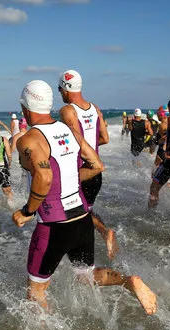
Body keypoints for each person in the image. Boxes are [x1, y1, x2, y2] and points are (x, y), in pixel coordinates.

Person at [11, 80, 157, 315]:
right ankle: (128, 281)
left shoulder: (29, 139)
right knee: (86, 276)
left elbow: (44, 177)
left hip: (53, 225)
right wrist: (68, 180)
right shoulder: (67, 130)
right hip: (82, 218)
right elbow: (97, 165)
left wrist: (26, 211)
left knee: (36, 292)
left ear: (26, 107)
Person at [58, 70, 119, 260]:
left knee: (73, 213)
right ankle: (101, 235)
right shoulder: (95, 108)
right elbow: (105, 138)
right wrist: (91, 148)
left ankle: (91, 241)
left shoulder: (68, 111)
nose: (60, 93)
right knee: (86, 210)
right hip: (96, 174)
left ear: (67, 88)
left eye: (60, 89)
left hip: (80, 172)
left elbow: (75, 142)